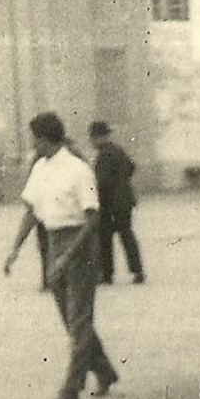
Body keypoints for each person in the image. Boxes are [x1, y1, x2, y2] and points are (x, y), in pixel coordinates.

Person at [4, 112, 119, 399]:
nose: (33, 144)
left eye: (35, 139)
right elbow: (31, 210)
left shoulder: (78, 170)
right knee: (71, 318)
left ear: (44, 139)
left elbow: (93, 217)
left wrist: (69, 254)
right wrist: (15, 249)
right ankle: (104, 370)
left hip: (80, 243)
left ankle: (73, 385)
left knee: (79, 317)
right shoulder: (40, 168)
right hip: (54, 241)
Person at [87, 120, 145, 285]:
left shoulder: (104, 154)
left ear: (98, 137)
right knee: (127, 236)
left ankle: (106, 273)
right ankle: (137, 271)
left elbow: (102, 182)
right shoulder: (117, 150)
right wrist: (122, 182)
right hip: (124, 201)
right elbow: (131, 167)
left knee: (105, 238)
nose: (91, 142)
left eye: (92, 138)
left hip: (110, 203)